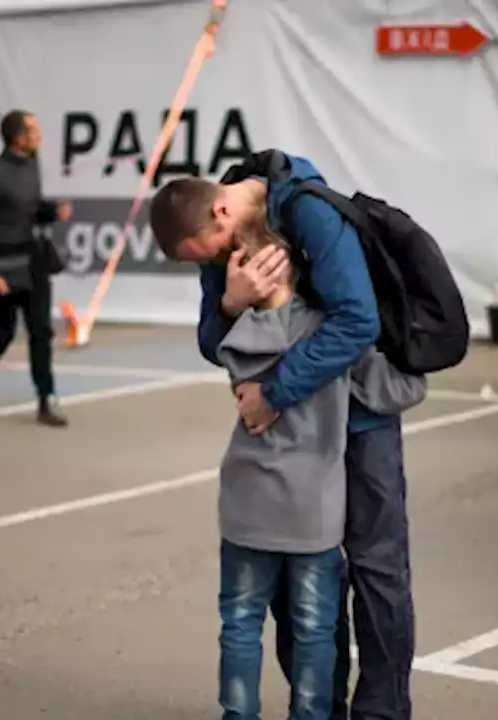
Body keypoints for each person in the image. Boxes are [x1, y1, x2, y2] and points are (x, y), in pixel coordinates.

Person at [149, 151, 416, 720]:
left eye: (215, 252)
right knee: (300, 598)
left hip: (359, 418)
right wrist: (229, 301)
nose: (219, 260)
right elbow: (209, 338)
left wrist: (275, 392)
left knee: (375, 570)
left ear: (223, 211)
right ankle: (320, 709)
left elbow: (358, 320)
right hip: (291, 429)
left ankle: (381, 713)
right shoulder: (215, 227)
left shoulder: (311, 215)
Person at [212, 225, 425, 720]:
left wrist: (230, 304)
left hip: (246, 504)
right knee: (315, 628)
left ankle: (238, 714)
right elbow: (401, 391)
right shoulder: (335, 336)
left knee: (240, 624)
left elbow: (223, 351)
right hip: (313, 512)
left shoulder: (240, 333)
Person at [0, 110, 71, 428]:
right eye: (33, 129)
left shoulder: (32, 166)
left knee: (40, 331)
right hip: (4, 264)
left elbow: (30, 210)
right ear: (18, 137)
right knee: (3, 331)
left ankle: (46, 399)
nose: (39, 135)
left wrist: (52, 211)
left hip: (33, 260)